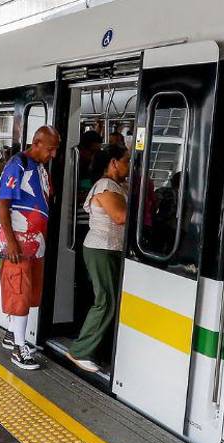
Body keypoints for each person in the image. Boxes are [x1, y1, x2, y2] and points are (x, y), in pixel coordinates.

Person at [0, 125, 59, 371]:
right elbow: (3, 202)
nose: (53, 154)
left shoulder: (40, 168)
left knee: (29, 292)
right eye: (50, 149)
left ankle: (12, 334)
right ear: (37, 142)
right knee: (19, 290)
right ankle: (19, 348)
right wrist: (11, 241)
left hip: (34, 242)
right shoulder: (17, 164)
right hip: (18, 242)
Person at [68, 145, 129, 372]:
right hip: (102, 249)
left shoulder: (116, 186)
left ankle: (95, 349)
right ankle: (80, 351)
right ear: (113, 163)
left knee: (108, 299)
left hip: (109, 249)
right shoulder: (106, 186)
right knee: (106, 300)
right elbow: (120, 216)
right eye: (126, 161)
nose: (129, 166)